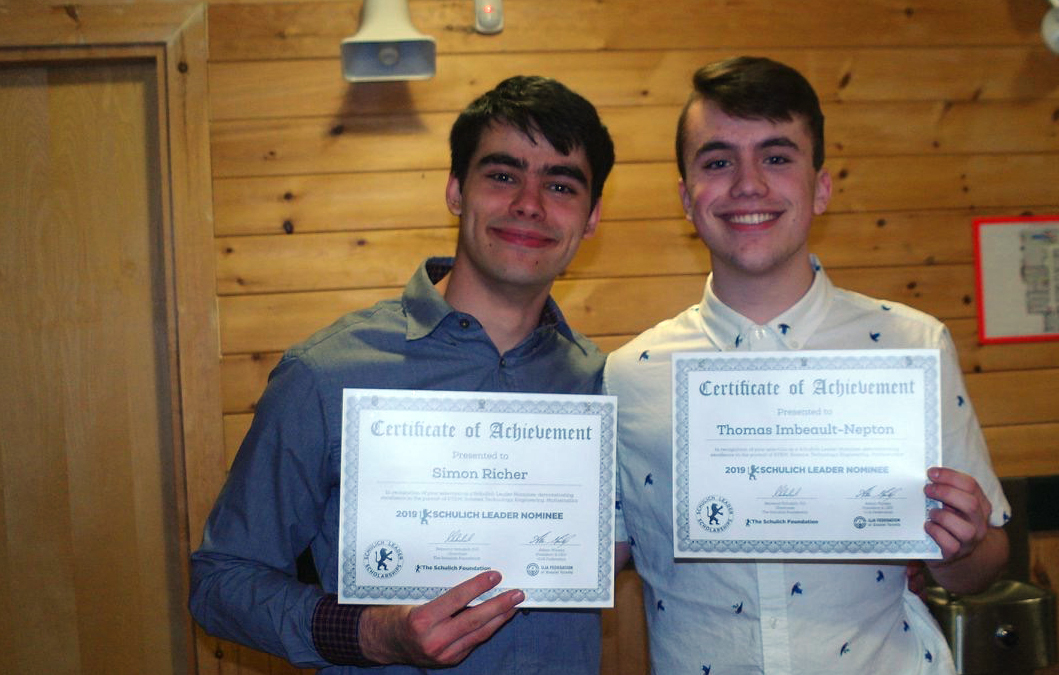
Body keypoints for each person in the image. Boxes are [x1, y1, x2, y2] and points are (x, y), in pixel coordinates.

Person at [190, 75, 615, 674]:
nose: (529, 203)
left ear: (592, 216)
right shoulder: (326, 375)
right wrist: (370, 633)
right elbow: (220, 582)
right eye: (501, 175)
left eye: (561, 184)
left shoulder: (602, 385)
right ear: (455, 191)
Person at [604, 56, 1010, 674]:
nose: (747, 184)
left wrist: (964, 545)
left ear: (820, 187)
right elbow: (595, 557)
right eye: (717, 161)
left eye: (776, 157)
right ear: (687, 198)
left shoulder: (911, 346)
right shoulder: (629, 375)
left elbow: (981, 568)